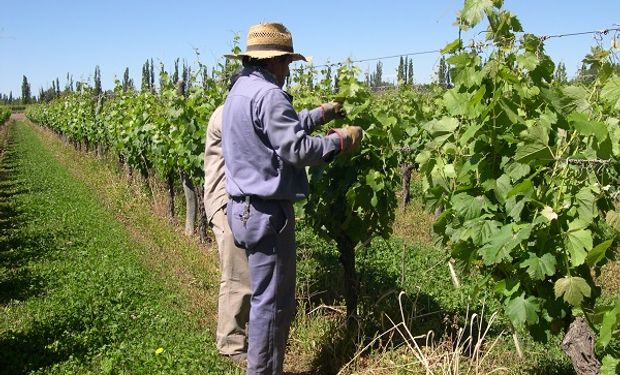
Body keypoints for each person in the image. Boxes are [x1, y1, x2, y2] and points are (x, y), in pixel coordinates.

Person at [221, 22, 362, 374]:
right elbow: (295, 148)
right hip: (268, 215)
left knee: (261, 297)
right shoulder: (270, 95)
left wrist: (322, 112)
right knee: (273, 305)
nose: (288, 71)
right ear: (274, 62)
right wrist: (340, 141)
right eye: (287, 64)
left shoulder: (240, 91)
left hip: (242, 211)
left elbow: (278, 127)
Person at [203, 71, 251, 364]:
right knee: (237, 272)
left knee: (244, 270)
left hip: (235, 200)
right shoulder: (226, 115)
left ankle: (244, 335)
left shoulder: (231, 112)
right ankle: (231, 345)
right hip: (225, 202)